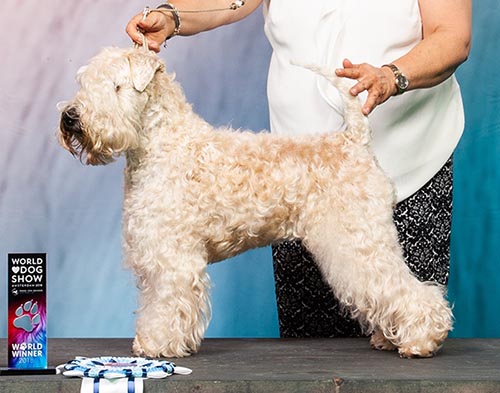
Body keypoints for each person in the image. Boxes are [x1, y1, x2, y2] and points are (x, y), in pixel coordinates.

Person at [127, 0, 472, 338]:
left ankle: (418, 318)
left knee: (391, 309)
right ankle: (412, 319)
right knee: (311, 351)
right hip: (292, 174)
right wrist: (171, 15)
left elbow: (453, 35)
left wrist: (391, 76)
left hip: (413, 150)